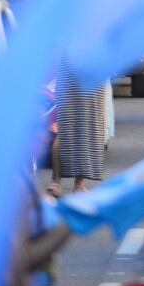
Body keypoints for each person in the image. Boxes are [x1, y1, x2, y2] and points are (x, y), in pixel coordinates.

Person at [50, 60, 106, 194]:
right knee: (65, 129)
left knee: (87, 130)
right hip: (71, 71)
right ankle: (56, 181)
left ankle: (79, 184)